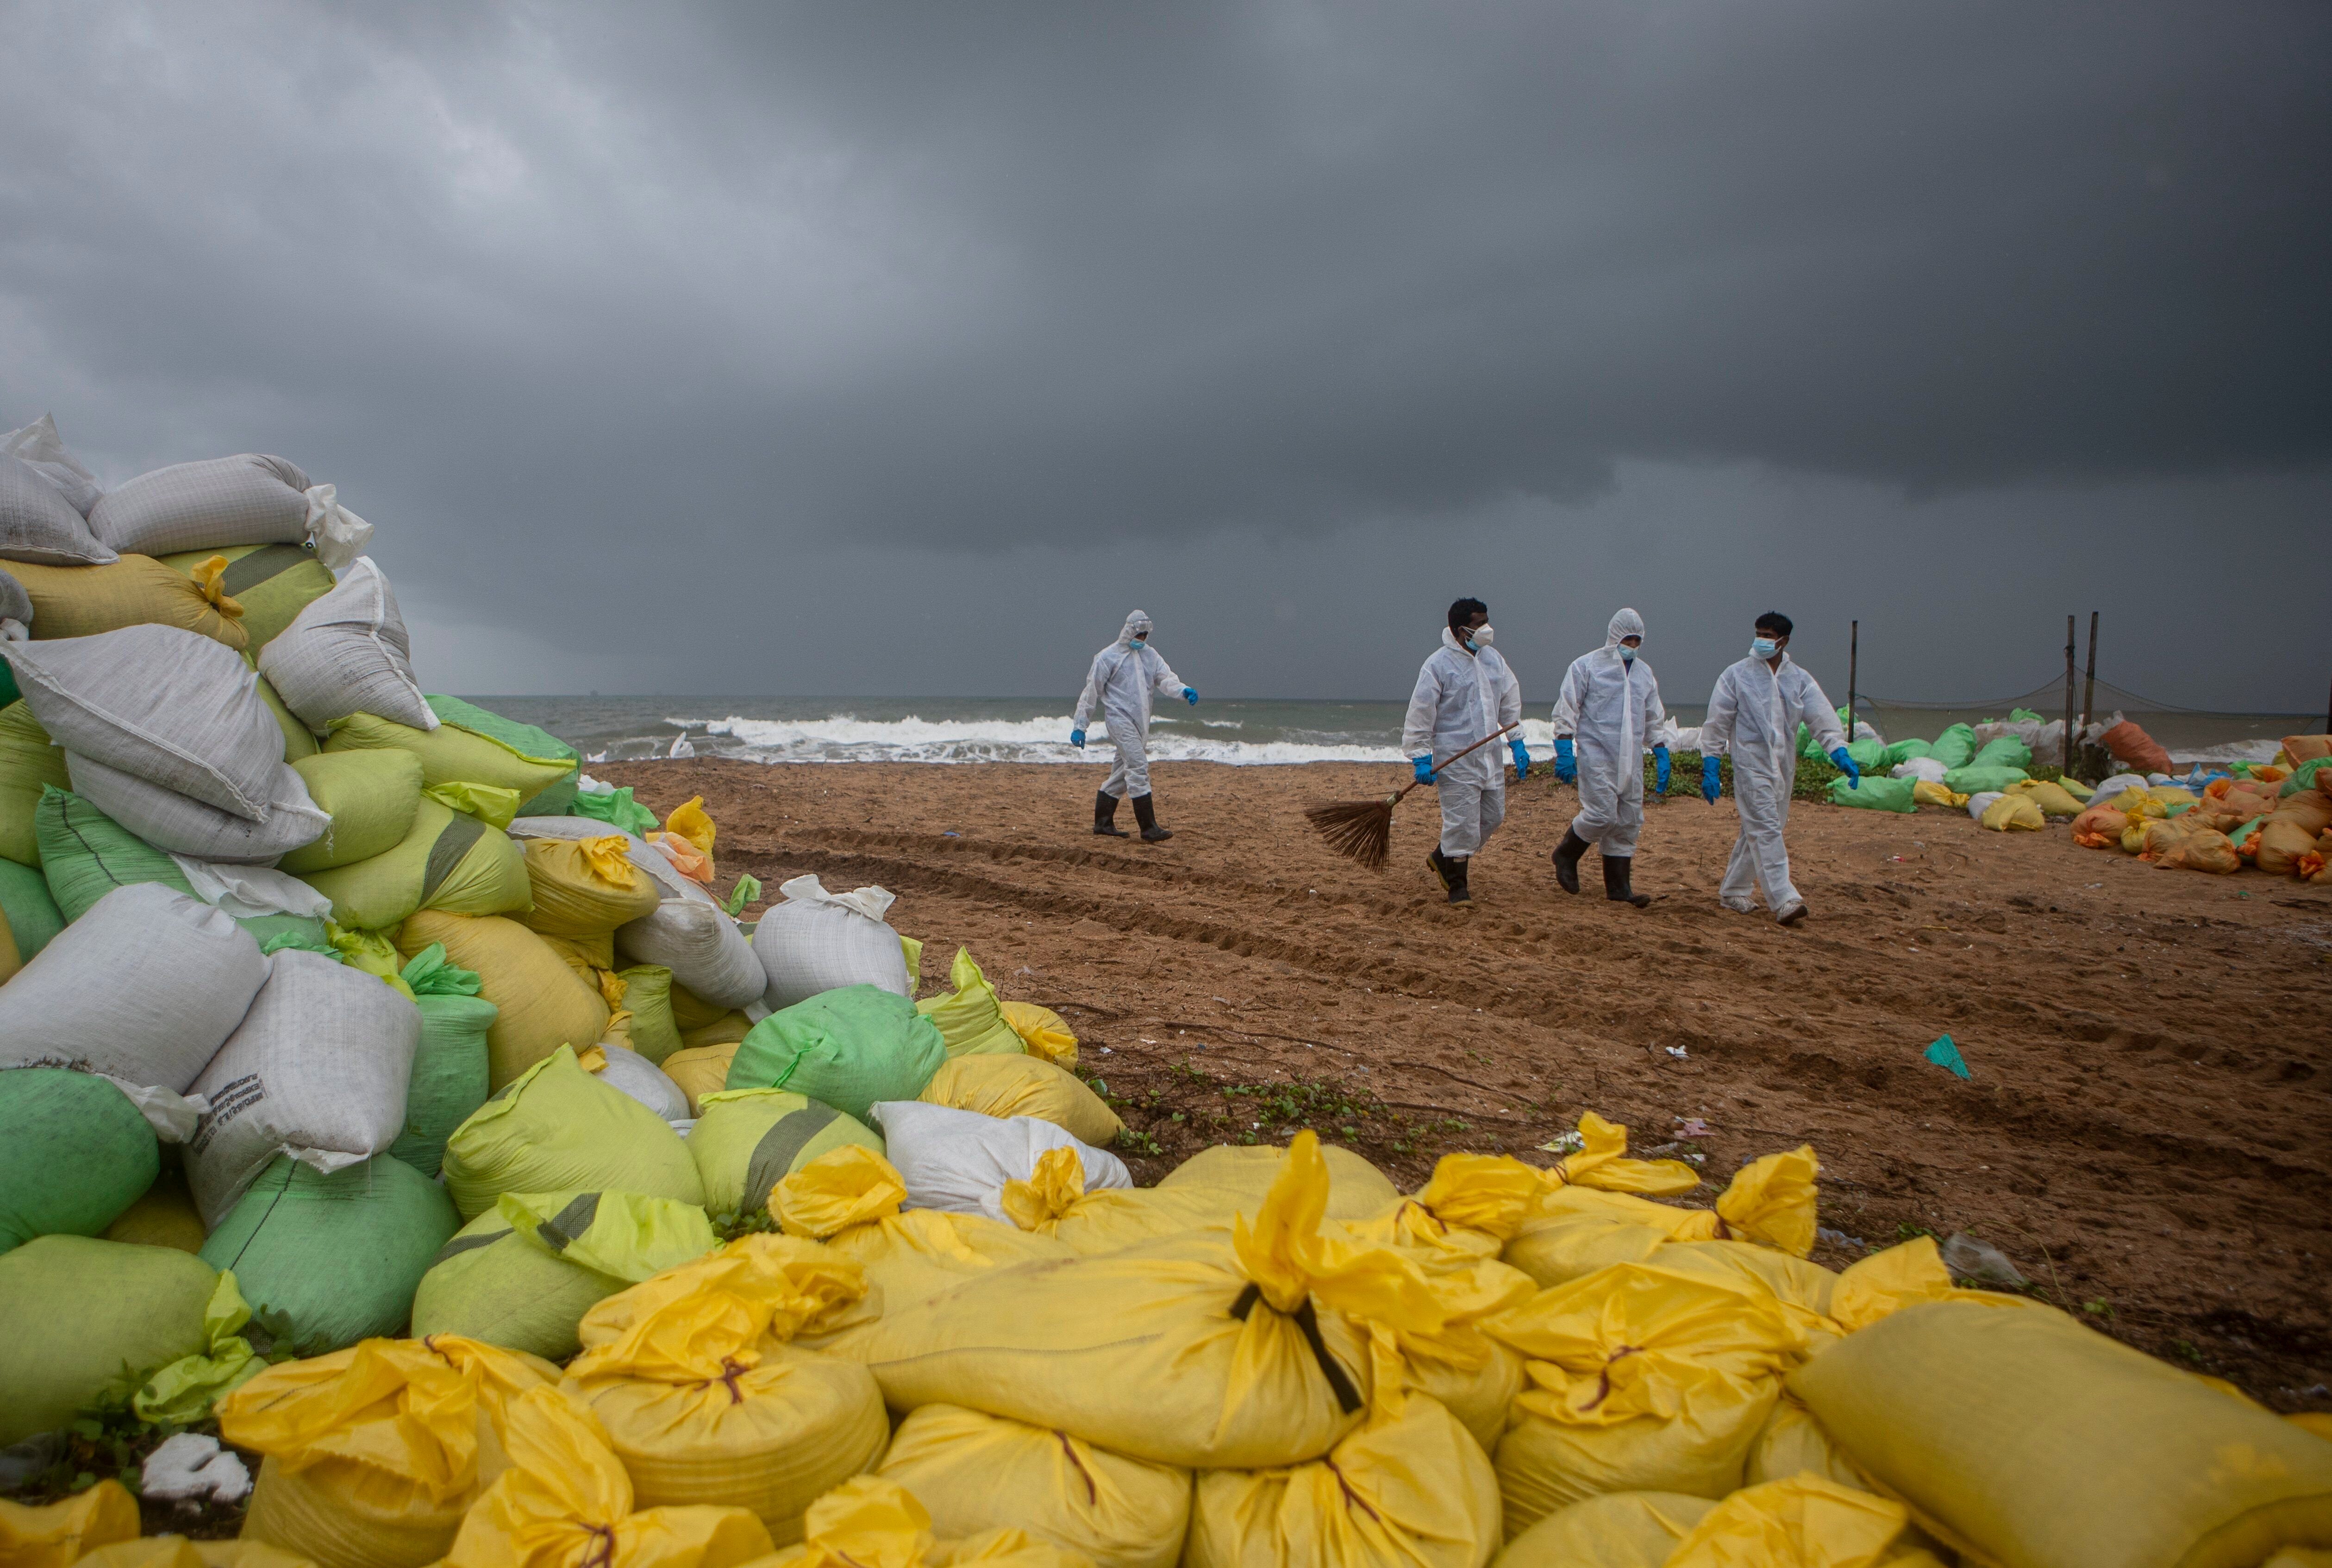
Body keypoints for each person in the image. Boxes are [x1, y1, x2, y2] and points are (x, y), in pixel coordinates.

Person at [1698, 611, 1860, 926]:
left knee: (1760, 827)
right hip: (1750, 765)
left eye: (1769, 636)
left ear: (1784, 641)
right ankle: (1784, 898)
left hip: (1782, 767)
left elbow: (1822, 719)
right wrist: (1710, 764)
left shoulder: (1798, 679)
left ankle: (1733, 889)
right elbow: (1717, 723)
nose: (1761, 641)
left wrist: (1838, 751)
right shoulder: (1735, 676)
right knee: (1766, 828)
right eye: (1759, 633)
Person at [1402, 598, 1525, 904]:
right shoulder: (1438, 665)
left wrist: (1517, 740)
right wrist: (1420, 755)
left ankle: (1441, 855)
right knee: (1461, 821)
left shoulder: (1493, 659)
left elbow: (1509, 699)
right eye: (1478, 624)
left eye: (1486, 621)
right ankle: (1457, 884)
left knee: (1493, 817)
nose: (1486, 629)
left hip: (1489, 756)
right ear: (1460, 630)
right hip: (1454, 758)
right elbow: (1421, 711)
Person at [1550, 607, 1667, 908]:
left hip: (1631, 759)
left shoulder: (1644, 674)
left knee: (1628, 820)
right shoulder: (1586, 666)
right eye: (1627, 638)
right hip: (1596, 753)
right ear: (1614, 635)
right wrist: (1564, 746)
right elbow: (1567, 707)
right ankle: (1566, 853)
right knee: (1601, 814)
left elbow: (1653, 716)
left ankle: (1618, 888)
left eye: (1637, 640)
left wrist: (1660, 747)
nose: (1632, 645)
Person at [1071, 610, 1196, 842]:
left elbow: (1165, 678)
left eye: (1145, 636)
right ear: (1129, 631)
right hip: (1119, 721)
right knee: (1138, 766)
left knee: (1122, 772)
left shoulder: (1151, 656)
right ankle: (1149, 828)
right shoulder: (1107, 657)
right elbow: (1091, 692)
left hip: (1141, 722)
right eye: (1138, 634)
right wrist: (1081, 725)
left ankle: (1103, 823)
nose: (1141, 640)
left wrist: (1183, 691)